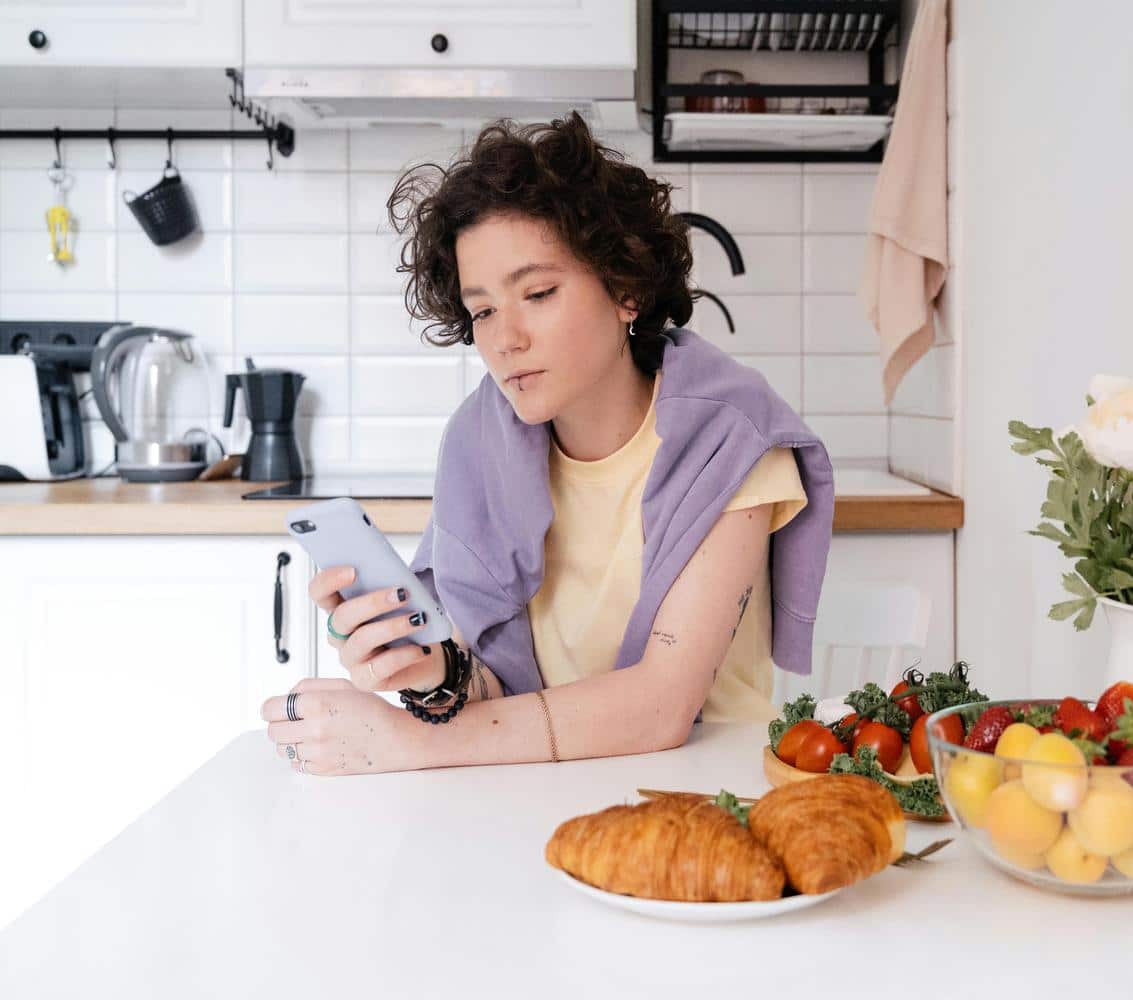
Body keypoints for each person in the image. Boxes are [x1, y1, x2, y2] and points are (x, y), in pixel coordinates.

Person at [262, 113, 834, 775]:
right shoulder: (480, 442)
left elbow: (661, 706)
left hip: (708, 786)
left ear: (626, 289)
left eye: (537, 293)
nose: (505, 339)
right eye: (482, 310)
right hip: (533, 782)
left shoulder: (731, 438)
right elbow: (493, 690)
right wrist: (429, 671)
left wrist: (413, 743)